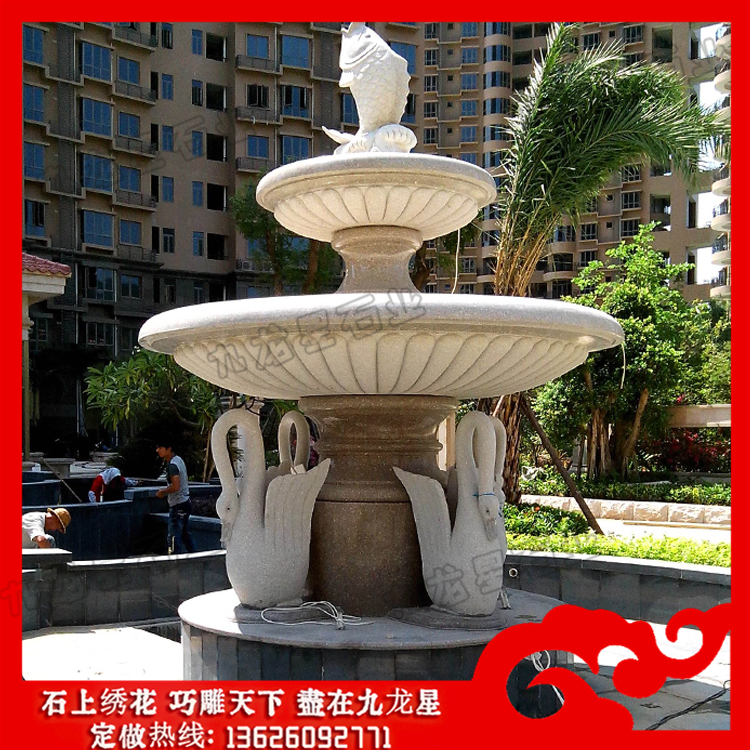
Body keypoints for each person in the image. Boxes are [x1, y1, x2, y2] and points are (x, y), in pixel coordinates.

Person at [155, 438, 196, 554]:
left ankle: (174, 561)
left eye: (160, 448)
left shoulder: (173, 465)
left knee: (173, 537)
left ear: (169, 449)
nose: (157, 450)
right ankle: (196, 558)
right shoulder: (178, 460)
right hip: (185, 502)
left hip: (178, 505)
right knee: (185, 535)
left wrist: (163, 491)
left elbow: (176, 486)